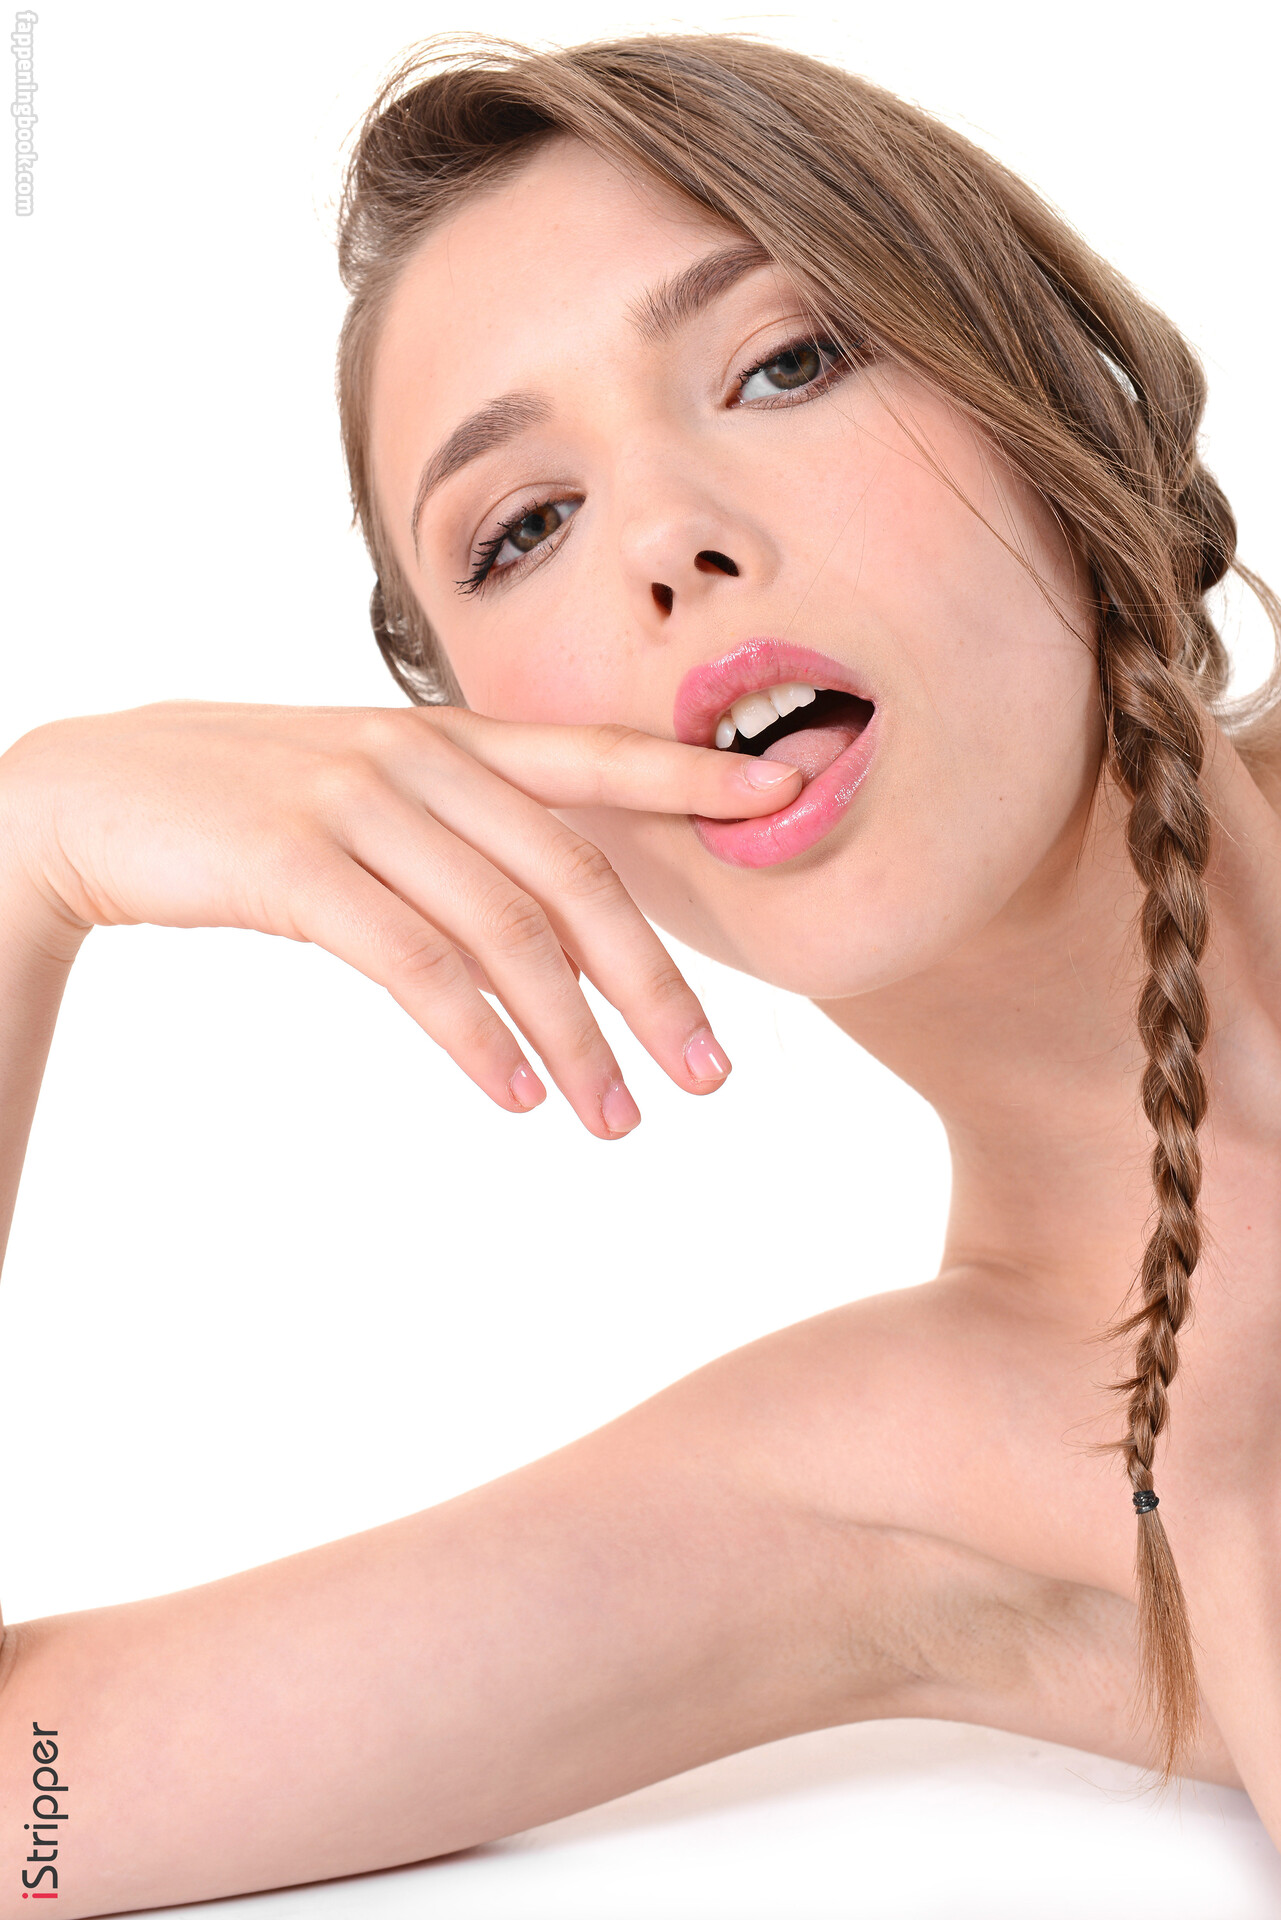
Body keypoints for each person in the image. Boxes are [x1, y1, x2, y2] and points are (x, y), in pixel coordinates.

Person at [0, 30, 1278, 1917]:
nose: (669, 545)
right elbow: (27, 1803)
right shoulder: (933, 1467)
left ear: (1055, 392)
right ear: (485, 753)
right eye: (521, 530)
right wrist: (25, 852)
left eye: (784, 363)